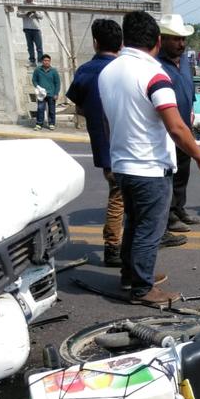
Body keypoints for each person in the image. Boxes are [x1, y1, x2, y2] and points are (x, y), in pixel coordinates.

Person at [98, 11, 200, 305]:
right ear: (158, 41)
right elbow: (176, 127)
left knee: (134, 223)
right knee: (149, 229)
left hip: (123, 163)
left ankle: (131, 275)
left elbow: (109, 121)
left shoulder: (108, 71)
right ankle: (143, 289)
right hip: (148, 166)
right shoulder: (154, 75)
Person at [66, 19, 124, 267]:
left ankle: (119, 246)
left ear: (95, 42)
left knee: (119, 196)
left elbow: (79, 108)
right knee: (122, 198)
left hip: (104, 147)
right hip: (128, 147)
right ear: (120, 44)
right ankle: (114, 249)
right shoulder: (123, 70)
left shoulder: (85, 71)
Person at [158, 13, 200, 247]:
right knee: (169, 176)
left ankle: (179, 209)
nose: (181, 44)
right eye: (175, 39)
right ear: (162, 39)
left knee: (183, 172)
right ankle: (169, 217)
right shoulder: (156, 64)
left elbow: (189, 86)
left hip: (185, 125)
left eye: (183, 39)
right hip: (166, 129)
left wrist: (191, 106)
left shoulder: (184, 61)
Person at [32, 54, 60, 131]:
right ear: (42, 61)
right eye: (45, 60)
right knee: (40, 109)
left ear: (50, 61)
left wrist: (56, 93)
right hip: (41, 94)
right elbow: (34, 80)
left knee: (51, 109)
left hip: (51, 94)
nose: (46, 62)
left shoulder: (54, 71)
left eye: (48, 60)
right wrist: (38, 87)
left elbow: (57, 83)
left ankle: (51, 124)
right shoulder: (37, 70)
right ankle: (39, 124)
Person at [16, 0, 43, 65]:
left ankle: (40, 61)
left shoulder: (36, 5)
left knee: (39, 47)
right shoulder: (22, 5)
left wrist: (35, 13)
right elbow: (18, 14)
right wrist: (26, 14)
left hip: (36, 28)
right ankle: (32, 61)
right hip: (27, 28)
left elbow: (41, 16)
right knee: (30, 46)